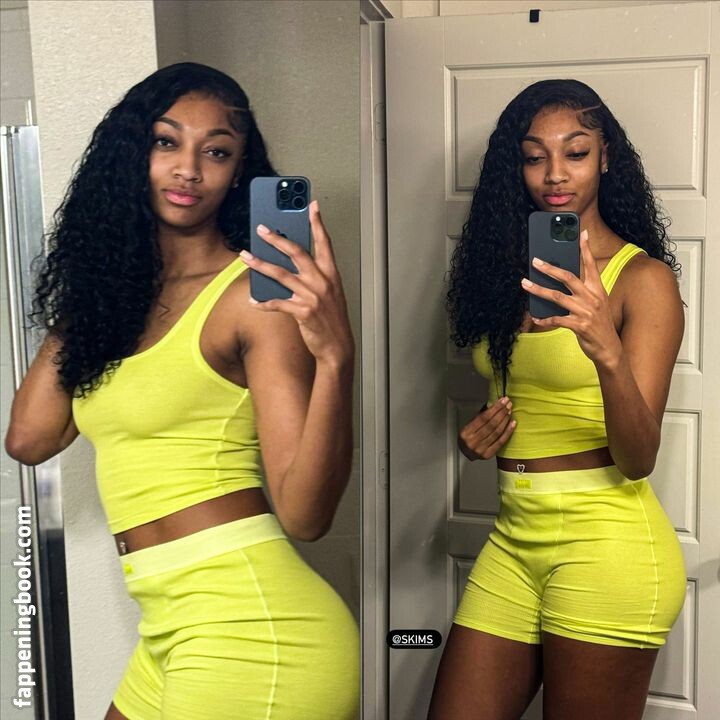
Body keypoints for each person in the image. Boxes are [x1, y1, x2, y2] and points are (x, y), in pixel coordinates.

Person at [4, 62, 359, 720]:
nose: (189, 169)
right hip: (169, 628)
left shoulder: (252, 300)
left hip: (252, 632)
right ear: (129, 157)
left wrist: (337, 359)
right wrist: (93, 283)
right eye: (166, 143)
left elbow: (307, 517)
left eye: (216, 152)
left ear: (239, 173)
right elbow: (29, 438)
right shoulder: (117, 304)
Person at [428, 79, 686, 720]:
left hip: (607, 544)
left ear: (606, 158)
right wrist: (478, 437)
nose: (554, 174)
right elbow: (531, 395)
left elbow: (639, 457)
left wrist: (605, 348)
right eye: (533, 156)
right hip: (514, 537)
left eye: (575, 152)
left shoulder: (643, 280)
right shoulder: (502, 272)